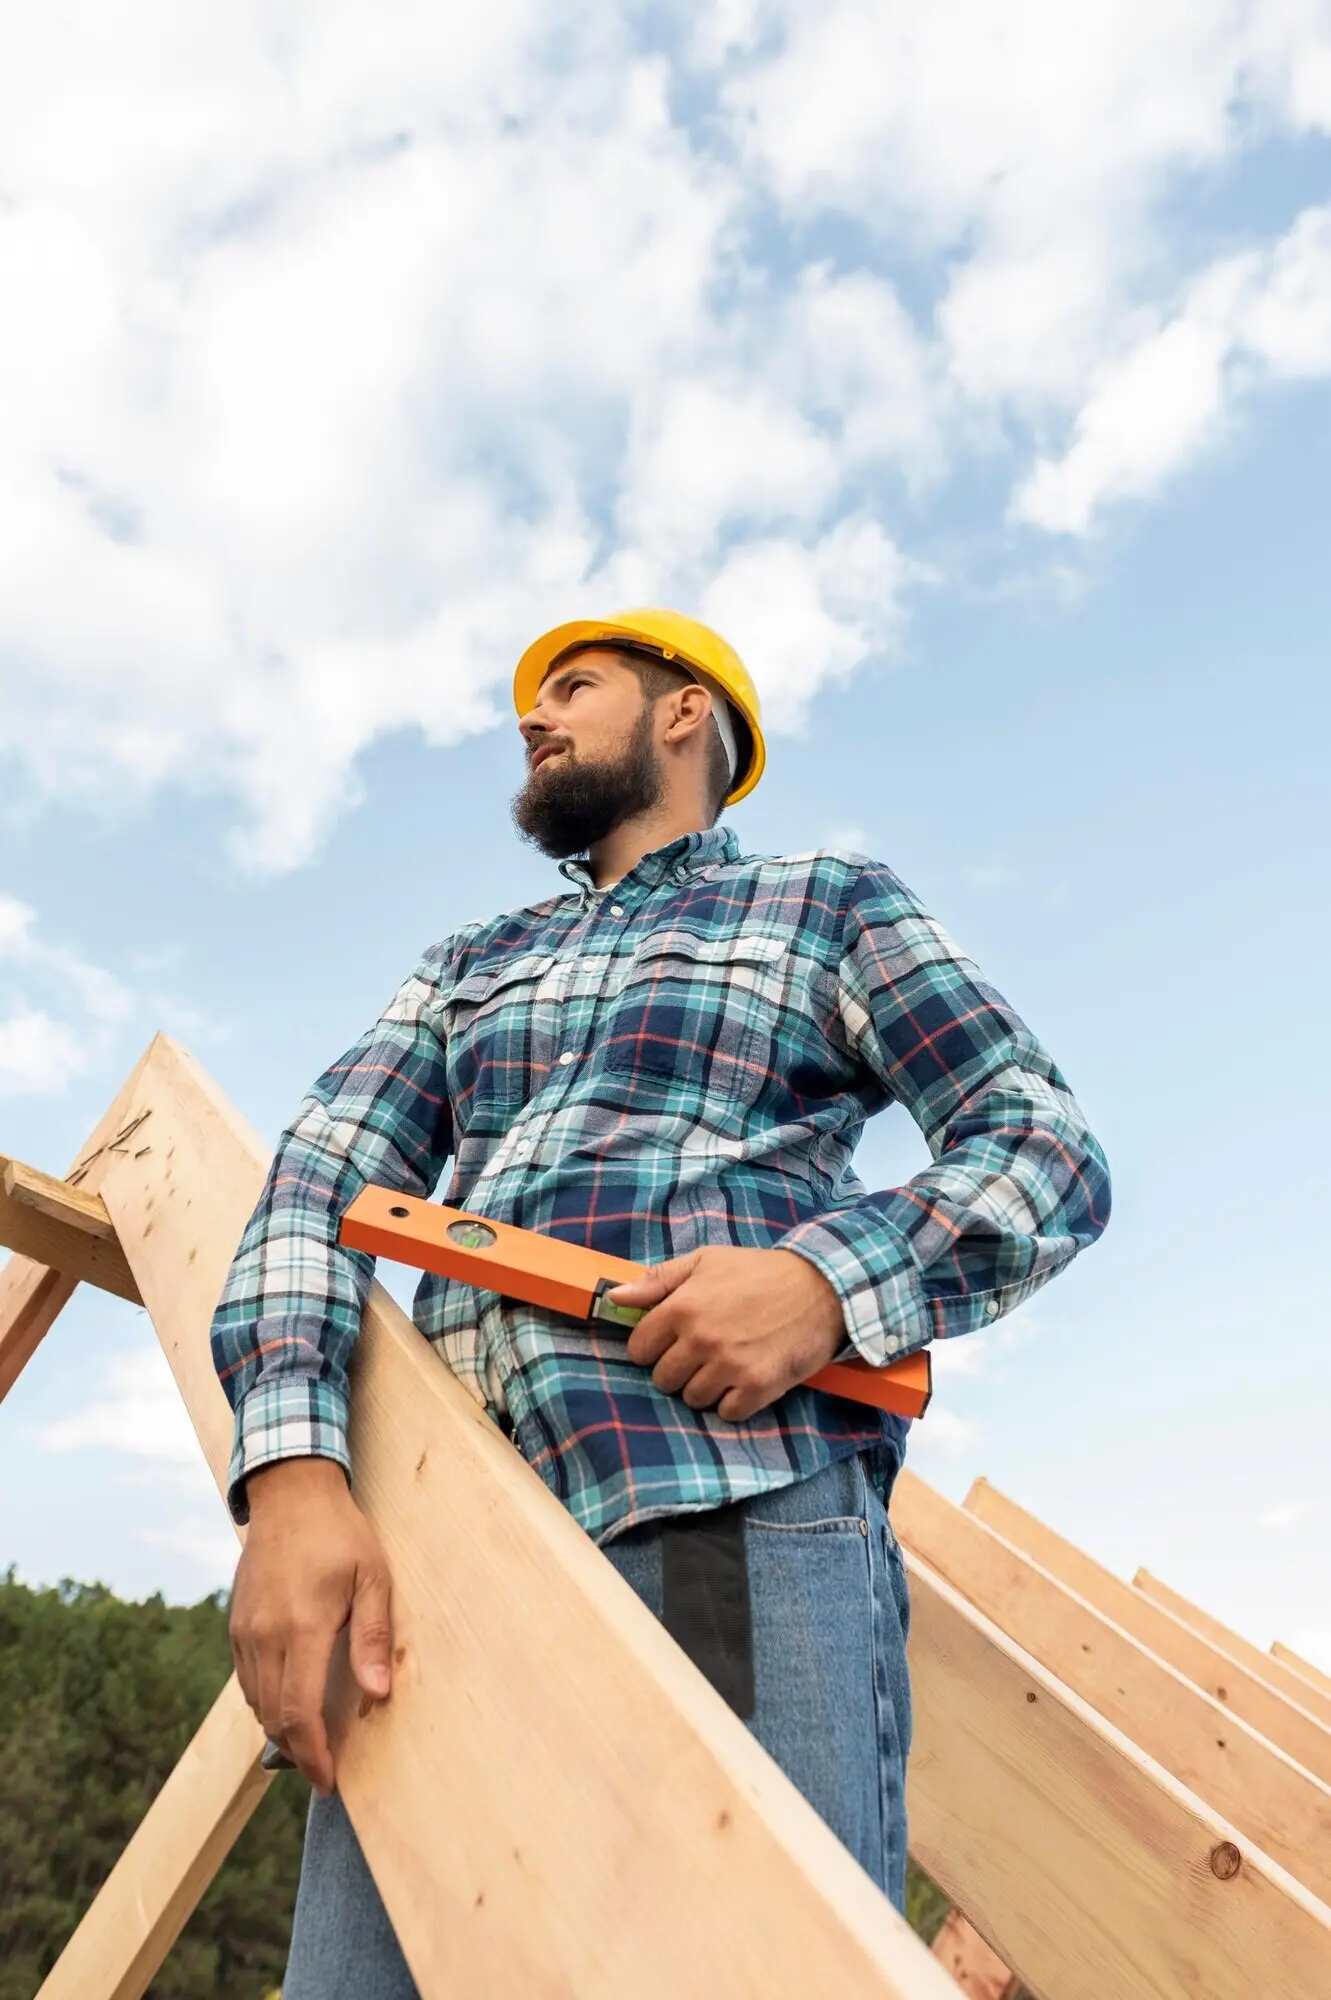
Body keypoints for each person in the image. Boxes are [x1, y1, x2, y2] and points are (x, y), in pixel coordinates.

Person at [212, 609, 1110, 1996]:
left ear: (684, 713)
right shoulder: (469, 963)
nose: (533, 716)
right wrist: (290, 1472)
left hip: (722, 1505)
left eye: (573, 685)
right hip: (432, 1572)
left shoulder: (822, 901)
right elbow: (312, 1186)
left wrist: (826, 1280)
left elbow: (1039, 1139)